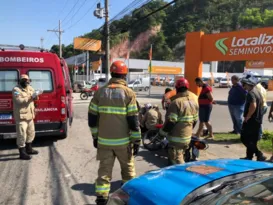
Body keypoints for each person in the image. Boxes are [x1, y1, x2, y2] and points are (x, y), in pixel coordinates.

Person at [88, 60, 141, 205]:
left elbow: (92, 118)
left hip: (104, 142)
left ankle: (102, 198)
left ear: (111, 73)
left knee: (104, 171)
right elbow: (133, 121)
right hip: (123, 142)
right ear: (124, 76)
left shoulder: (99, 92)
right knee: (128, 170)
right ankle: (128, 196)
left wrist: (95, 136)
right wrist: (137, 141)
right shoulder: (129, 93)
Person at [159, 77, 198, 165]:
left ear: (176, 89)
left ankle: (184, 177)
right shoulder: (193, 102)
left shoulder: (176, 103)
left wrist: (161, 134)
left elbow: (170, 122)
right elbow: (195, 120)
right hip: (187, 138)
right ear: (187, 88)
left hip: (176, 140)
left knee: (176, 164)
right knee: (181, 157)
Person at [12, 74, 39, 160]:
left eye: (27, 80)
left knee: (31, 133)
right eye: (24, 80)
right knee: (21, 135)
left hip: (30, 115)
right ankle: (22, 153)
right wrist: (31, 97)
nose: (26, 82)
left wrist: (36, 96)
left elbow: (35, 98)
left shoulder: (30, 88)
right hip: (21, 117)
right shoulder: (16, 90)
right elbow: (19, 101)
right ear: (20, 81)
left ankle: (29, 149)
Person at [240, 75, 266, 161]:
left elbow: (253, 105)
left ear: (248, 84)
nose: (243, 86)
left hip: (252, 119)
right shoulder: (257, 91)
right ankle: (249, 156)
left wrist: (248, 116)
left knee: (244, 137)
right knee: (252, 139)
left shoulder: (251, 93)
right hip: (257, 119)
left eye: (244, 84)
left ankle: (259, 154)